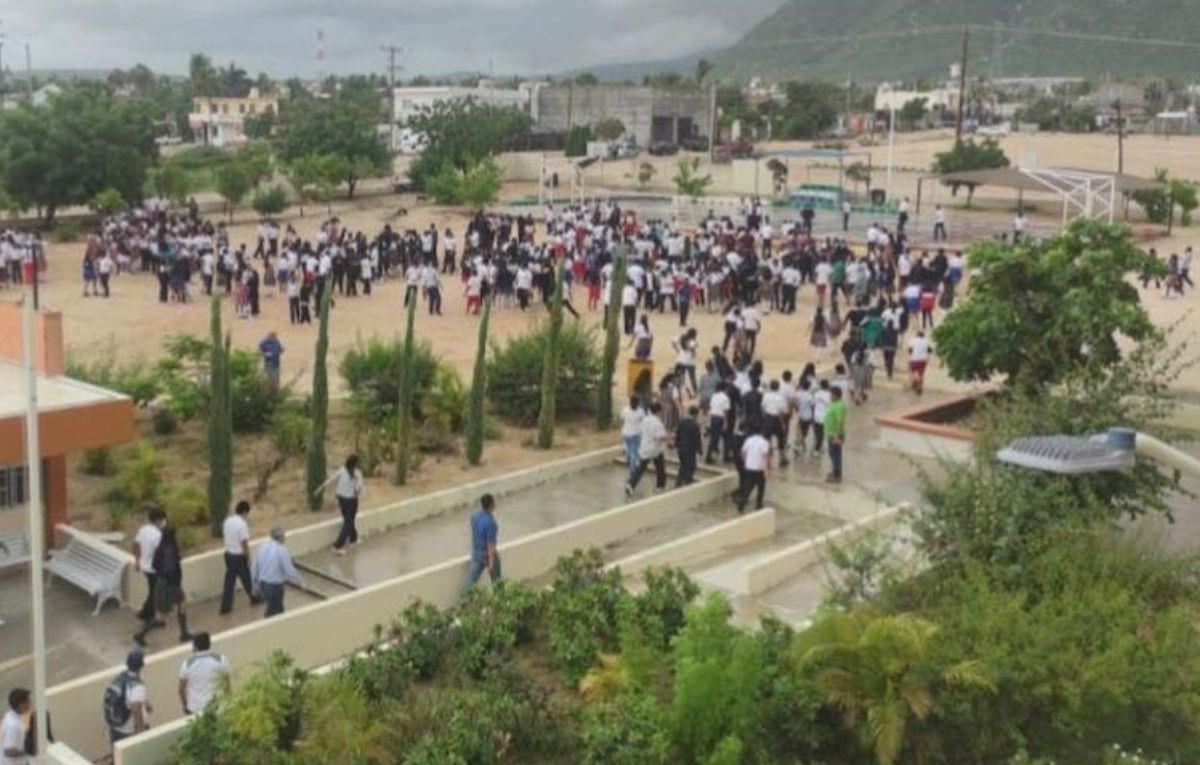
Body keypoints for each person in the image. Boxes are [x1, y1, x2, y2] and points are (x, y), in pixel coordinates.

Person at [135, 525, 191, 646]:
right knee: (163, 615)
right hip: (171, 584)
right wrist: (174, 583)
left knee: (182, 604)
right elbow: (170, 568)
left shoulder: (161, 548)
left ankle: (184, 632)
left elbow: (155, 566)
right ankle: (141, 635)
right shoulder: (169, 550)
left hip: (164, 582)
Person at [251, 526, 304, 618]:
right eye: (284, 535)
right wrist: (300, 581)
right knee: (273, 612)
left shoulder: (262, 547)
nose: (285, 538)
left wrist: (254, 585)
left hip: (263, 584)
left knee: (278, 609)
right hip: (274, 586)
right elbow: (289, 570)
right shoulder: (282, 550)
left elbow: (254, 567)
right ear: (280, 537)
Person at [317, 455, 365, 554]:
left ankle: (353, 539)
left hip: (341, 498)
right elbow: (358, 489)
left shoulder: (342, 470)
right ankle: (337, 546)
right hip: (351, 500)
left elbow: (331, 479)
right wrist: (356, 492)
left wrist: (321, 488)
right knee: (348, 521)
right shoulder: (357, 474)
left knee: (349, 519)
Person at [219, 501, 259, 615]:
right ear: (245, 512)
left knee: (229, 582)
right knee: (247, 578)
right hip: (238, 556)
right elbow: (244, 543)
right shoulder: (242, 524)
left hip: (228, 554)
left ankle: (225, 607)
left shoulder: (227, 521)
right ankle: (254, 598)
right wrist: (248, 557)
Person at [105, 650, 150, 748]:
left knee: (116, 756)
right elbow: (136, 709)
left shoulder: (121, 676)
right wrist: (141, 732)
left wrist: (146, 703)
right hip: (128, 729)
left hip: (115, 726)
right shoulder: (137, 687)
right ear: (141, 665)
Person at [178, 633, 228, 716]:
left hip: (195, 707)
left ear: (195, 646)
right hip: (217, 704)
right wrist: (227, 700)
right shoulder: (221, 659)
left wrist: (185, 705)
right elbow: (226, 684)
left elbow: (181, 688)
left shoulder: (187, 664)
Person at [626, 401, 669, 498]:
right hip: (655, 449)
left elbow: (640, 432)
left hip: (645, 448)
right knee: (660, 468)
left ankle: (631, 484)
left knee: (640, 468)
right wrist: (670, 437)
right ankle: (660, 486)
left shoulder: (645, 420)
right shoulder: (658, 423)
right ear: (659, 411)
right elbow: (659, 437)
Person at [132, 506, 166, 626]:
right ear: (157, 520)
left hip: (144, 566)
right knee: (155, 593)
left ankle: (146, 613)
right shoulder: (157, 535)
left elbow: (135, 545)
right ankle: (148, 616)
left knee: (152, 590)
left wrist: (137, 561)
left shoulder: (143, 529)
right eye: (162, 520)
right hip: (154, 569)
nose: (164, 523)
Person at [465, 494, 500, 590]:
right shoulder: (491, 523)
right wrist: (491, 561)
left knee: (470, 582)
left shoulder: (474, 517)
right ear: (492, 504)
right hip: (487, 555)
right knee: (497, 582)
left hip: (476, 553)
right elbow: (490, 543)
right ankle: (500, 598)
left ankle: (464, 601)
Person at [734, 428, 770, 513]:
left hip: (749, 467)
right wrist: (766, 470)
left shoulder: (749, 440)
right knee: (761, 488)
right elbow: (765, 457)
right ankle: (759, 505)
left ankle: (741, 504)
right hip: (759, 469)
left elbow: (743, 452)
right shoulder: (764, 442)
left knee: (748, 487)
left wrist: (746, 461)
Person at [824, 386, 848, 483]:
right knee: (832, 453)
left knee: (835, 454)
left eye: (832, 394)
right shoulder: (833, 403)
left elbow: (840, 422)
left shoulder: (840, 406)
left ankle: (837, 474)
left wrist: (837, 435)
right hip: (830, 433)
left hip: (835, 434)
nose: (830, 396)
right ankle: (835, 471)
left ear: (836, 395)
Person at [675, 406, 703, 486]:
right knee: (691, 467)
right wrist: (700, 450)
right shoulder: (695, 425)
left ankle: (679, 482)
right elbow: (697, 438)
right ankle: (688, 482)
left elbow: (678, 434)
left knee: (683, 465)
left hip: (681, 448)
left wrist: (676, 445)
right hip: (690, 450)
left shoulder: (682, 422)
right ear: (695, 415)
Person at [705, 383, 731, 464]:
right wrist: (726, 422)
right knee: (721, 438)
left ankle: (712, 455)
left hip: (713, 418)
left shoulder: (714, 396)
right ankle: (711, 456)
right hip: (720, 419)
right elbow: (726, 411)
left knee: (714, 438)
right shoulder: (725, 397)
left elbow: (711, 407)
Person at [2, 688, 29, 765]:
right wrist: (28, 750)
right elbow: (8, 752)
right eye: (28, 701)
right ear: (21, 705)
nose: (30, 703)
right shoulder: (13, 726)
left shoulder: (9, 715)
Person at [619, 398, 643, 482]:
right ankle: (632, 465)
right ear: (630, 402)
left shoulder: (640, 411)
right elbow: (621, 421)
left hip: (635, 436)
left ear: (638, 403)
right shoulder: (625, 410)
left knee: (633, 456)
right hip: (626, 435)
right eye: (633, 403)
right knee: (628, 455)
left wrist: (641, 434)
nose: (634, 404)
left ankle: (632, 474)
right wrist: (621, 431)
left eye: (636, 403)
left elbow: (642, 422)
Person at [908, 330, 932, 395]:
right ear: (923, 336)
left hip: (914, 359)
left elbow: (910, 350)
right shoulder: (926, 341)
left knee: (912, 371)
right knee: (921, 373)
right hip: (923, 360)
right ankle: (919, 384)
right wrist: (928, 357)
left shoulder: (912, 340)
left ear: (917, 335)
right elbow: (930, 350)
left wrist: (910, 358)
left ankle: (915, 381)